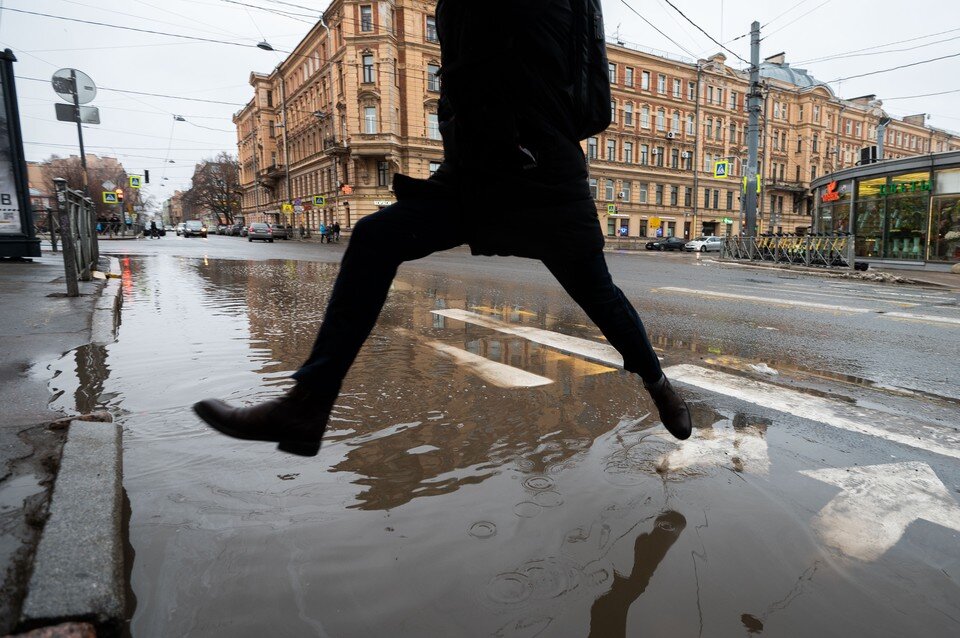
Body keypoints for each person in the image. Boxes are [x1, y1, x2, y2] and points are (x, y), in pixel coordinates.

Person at [194, 0, 692, 457]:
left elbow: (536, 83)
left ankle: (656, 381)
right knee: (374, 238)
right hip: (478, 170)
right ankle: (308, 404)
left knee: (598, 294)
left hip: (538, 173)